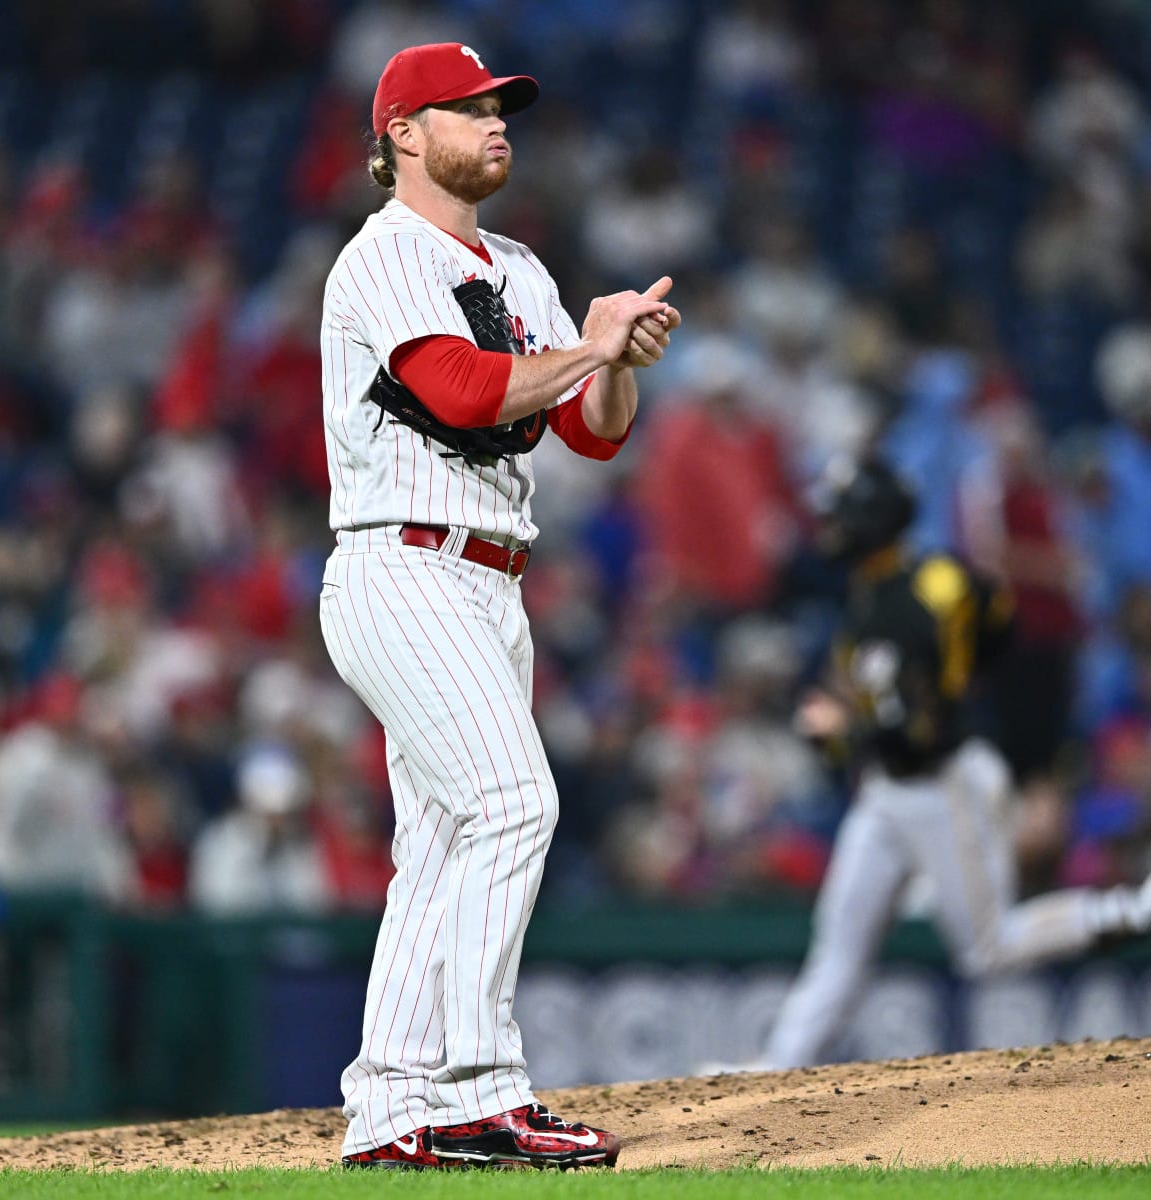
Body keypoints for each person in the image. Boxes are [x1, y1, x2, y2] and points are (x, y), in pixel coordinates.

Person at [317, 42, 680, 1170]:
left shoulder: (519, 266)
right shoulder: (381, 259)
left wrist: (615, 361)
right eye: (466, 108)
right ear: (402, 138)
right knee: (515, 803)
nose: (495, 121)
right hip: (403, 564)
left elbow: (595, 433)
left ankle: (391, 1109)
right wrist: (589, 348)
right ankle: (478, 1089)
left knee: (439, 845)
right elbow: (460, 389)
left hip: (490, 582)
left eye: (500, 106)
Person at [709, 456, 1151, 1073]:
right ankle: (780, 1064)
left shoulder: (897, 609)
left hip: (942, 782)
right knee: (839, 947)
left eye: (840, 513)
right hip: (895, 790)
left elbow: (910, 735)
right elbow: (999, 625)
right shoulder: (933, 572)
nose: (829, 525)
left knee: (989, 947)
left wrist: (842, 728)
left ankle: (1132, 909)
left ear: (870, 519)